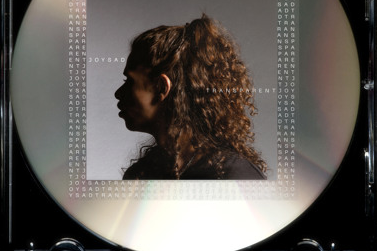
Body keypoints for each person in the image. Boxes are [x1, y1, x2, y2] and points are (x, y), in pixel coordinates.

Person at [114, 14, 267, 180]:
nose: (118, 93)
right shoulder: (140, 174)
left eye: (129, 81)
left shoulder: (237, 176)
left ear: (161, 88)